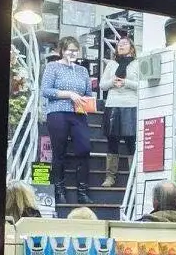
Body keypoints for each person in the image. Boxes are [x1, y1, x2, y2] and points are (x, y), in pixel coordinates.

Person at [41, 37, 94, 206]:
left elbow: (88, 93)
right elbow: (46, 90)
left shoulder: (83, 71)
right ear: (62, 51)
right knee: (59, 152)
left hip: (78, 113)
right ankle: (59, 190)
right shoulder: (52, 67)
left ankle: (82, 192)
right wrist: (69, 94)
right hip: (57, 112)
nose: (72, 53)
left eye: (75, 50)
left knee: (84, 148)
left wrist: (85, 100)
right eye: (69, 50)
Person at [100, 36, 139, 188]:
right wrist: (112, 82)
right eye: (119, 44)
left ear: (132, 47)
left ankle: (134, 177)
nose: (121, 46)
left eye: (124, 43)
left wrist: (126, 83)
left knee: (131, 142)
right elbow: (103, 85)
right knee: (112, 141)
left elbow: (142, 85)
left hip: (131, 105)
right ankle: (110, 177)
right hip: (113, 105)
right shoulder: (111, 64)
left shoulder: (137, 64)